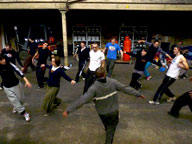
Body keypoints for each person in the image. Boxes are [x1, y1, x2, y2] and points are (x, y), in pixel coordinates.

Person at [63, 67, 145, 144]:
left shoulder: (93, 88)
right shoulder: (113, 82)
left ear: (95, 76)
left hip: (102, 113)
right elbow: (125, 88)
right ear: (105, 74)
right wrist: (137, 94)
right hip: (113, 111)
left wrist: (68, 110)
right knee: (111, 130)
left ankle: (107, 128)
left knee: (107, 125)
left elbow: (82, 100)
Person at [0, 55, 32, 122]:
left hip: (16, 84)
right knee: (14, 100)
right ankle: (24, 113)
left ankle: (16, 106)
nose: (3, 61)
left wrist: (26, 80)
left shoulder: (10, 64)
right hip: (7, 86)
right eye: (1, 60)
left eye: (3, 59)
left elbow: (18, 71)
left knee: (21, 99)